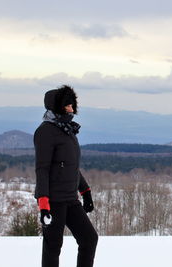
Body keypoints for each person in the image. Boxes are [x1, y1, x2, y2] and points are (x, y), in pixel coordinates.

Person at [34, 85, 98, 267]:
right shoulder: (45, 131)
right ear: (57, 106)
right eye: (68, 105)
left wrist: (85, 191)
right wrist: (44, 203)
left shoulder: (68, 130)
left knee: (89, 238)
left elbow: (71, 166)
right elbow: (42, 169)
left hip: (70, 198)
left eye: (72, 105)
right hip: (54, 200)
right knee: (53, 246)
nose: (72, 109)